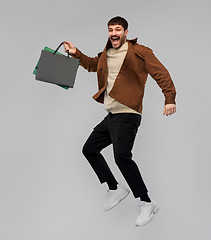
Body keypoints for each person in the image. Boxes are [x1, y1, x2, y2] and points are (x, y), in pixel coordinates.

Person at [63, 16, 176, 227]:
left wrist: (169, 98)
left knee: (122, 156)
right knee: (89, 149)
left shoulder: (140, 51)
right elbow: (91, 65)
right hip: (113, 115)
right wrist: (76, 53)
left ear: (125, 32)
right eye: (110, 30)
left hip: (128, 113)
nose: (113, 33)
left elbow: (160, 73)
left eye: (117, 29)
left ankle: (146, 202)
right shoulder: (107, 54)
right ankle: (115, 188)